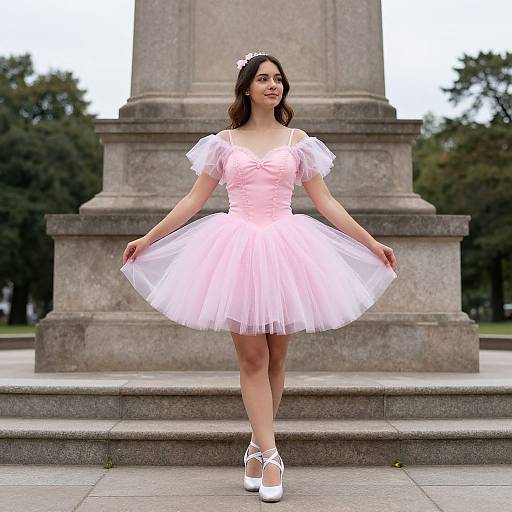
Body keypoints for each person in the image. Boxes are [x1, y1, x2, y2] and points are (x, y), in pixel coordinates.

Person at [120, 51, 398, 503]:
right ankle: (271, 454)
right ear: (247, 87)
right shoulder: (222, 143)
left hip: (288, 249)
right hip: (235, 250)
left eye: (278, 79)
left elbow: (326, 203)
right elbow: (193, 201)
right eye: (263, 78)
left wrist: (371, 242)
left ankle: (254, 445)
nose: (273, 85)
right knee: (252, 359)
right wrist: (148, 238)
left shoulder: (299, 142)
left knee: (277, 359)